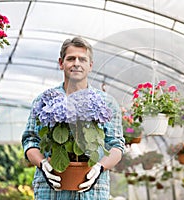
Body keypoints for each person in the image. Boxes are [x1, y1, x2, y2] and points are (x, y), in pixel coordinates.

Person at [21, 37, 125, 200]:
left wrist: (99, 168)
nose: (76, 63)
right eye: (71, 58)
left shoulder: (107, 103)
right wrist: (43, 164)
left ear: (90, 66)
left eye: (82, 59)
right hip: (50, 192)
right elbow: (30, 140)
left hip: (93, 192)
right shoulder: (44, 100)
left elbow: (116, 145)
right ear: (61, 63)